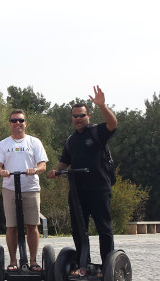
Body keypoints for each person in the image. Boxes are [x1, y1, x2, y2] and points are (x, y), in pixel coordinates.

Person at [47, 85, 117, 275]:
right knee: (78, 230)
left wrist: (102, 105)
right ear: (72, 118)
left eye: (81, 115)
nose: (78, 119)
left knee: (104, 229)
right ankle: (82, 265)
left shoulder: (96, 132)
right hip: (77, 191)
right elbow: (64, 161)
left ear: (88, 116)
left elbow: (113, 124)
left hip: (99, 189)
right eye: (75, 116)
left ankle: (106, 267)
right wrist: (56, 170)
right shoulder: (70, 140)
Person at [0, 109, 48, 272]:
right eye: (14, 121)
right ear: (10, 123)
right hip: (10, 188)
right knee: (12, 226)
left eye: (21, 120)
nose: (18, 123)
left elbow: (43, 164)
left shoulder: (34, 142)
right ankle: (13, 260)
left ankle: (33, 260)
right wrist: (1, 171)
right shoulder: (3, 144)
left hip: (30, 187)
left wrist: (35, 169)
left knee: (32, 225)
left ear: (25, 123)